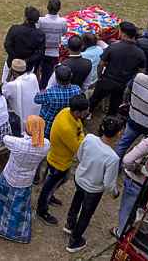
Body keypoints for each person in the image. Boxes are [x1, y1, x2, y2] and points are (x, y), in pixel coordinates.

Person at [0, 115, 49, 242]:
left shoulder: (17, 143)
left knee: (1, 202)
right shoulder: (46, 145)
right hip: (25, 181)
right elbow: (38, 142)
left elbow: (5, 138)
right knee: (18, 208)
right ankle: (15, 232)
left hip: (10, 176)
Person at [65, 116, 123, 253]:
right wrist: (115, 192)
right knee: (86, 213)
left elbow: (79, 155)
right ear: (118, 134)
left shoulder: (89, 138)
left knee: (76, 200)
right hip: (93, 189)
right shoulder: (112, 158)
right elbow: (109, 183)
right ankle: (74, 241)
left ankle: (70, 224)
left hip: (80, 179)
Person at [36, 95, 88, 226]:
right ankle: (42, 211)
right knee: (48, 187)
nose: (87, 113)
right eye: (85, 111)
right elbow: (79, 146)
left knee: (61, 181)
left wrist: (80, 134)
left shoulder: (67, 112)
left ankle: (50, 196)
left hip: (61, 159)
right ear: (77, 111)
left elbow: (80, 129)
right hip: (58, 163)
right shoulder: (67, 128)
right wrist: (80, 135)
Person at [89, 22, 145, 116]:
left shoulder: (113, 47)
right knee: (114, 107)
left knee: (94, 100)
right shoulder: (140, 53)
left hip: (107, 80)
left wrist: (100, 77)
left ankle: (87, 115)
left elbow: (101, 64)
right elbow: (141, 72)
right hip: (122, 84)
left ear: (123, 34)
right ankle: (109, 123)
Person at [34, 64, 81, 138]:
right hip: (66, 123)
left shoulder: (49, 93)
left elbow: (36, 99)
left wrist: (43, 90)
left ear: (56, 78)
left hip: (49, 125)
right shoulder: (77, 89)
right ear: (71, 76)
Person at [2, 6, 46, 81]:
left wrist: (16, 59)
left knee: (6, 85)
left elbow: (7, 45)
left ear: (25, 18)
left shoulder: (15, 29)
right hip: (27, 67)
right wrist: (25, 61)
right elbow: (39, 53)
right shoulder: (40, 34)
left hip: (16, 64)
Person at [2, 58, 40, 133]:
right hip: (36, 117)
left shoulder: (12, 85)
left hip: (22, 122)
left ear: (13, 72)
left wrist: (7, 79)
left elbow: (2, 94)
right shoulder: (33, 77)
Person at [37, 0, 68, 87]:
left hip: (42, 51)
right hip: (53, 53)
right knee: (48, 76)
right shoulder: (62, 21)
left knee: (39, 74)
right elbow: (64, 33)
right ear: (59, 8)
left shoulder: (41, 20)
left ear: (47, 7)